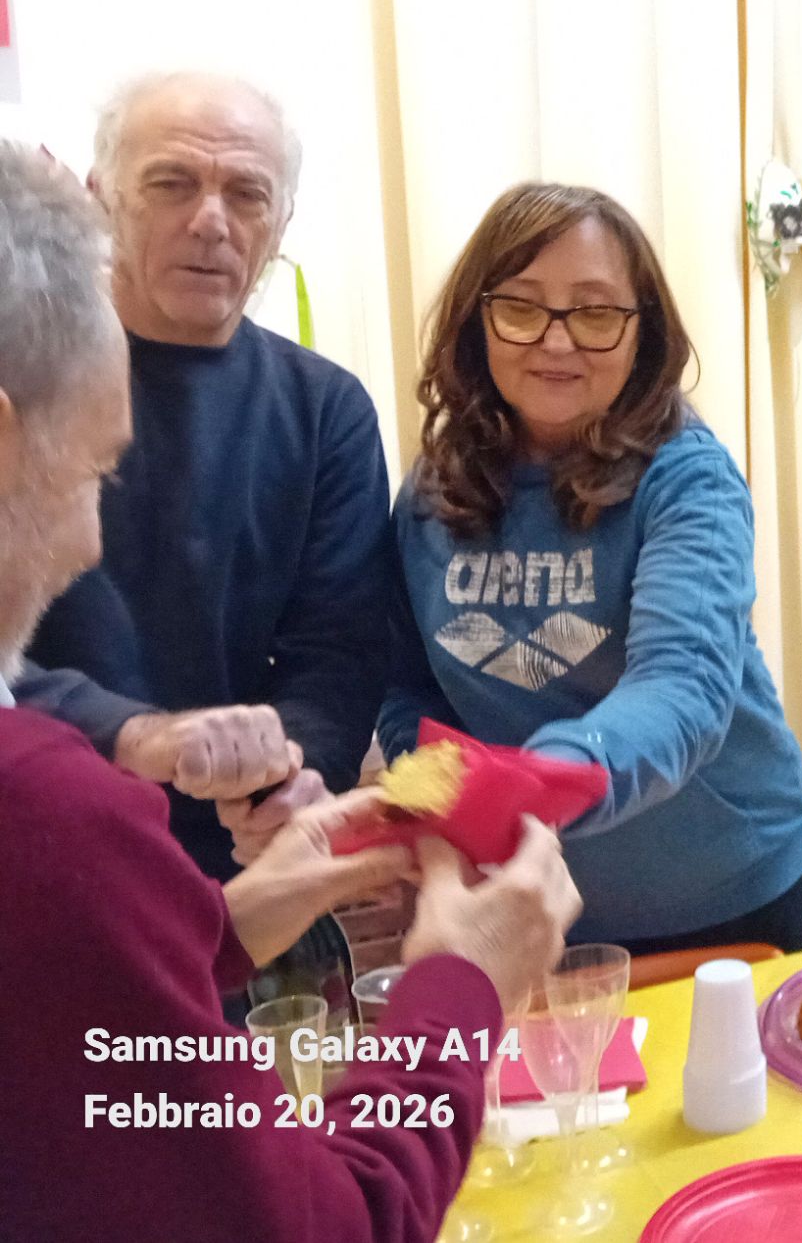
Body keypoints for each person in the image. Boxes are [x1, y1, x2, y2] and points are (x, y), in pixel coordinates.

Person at [0, 142, 583, 1241]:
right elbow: (329, 1225)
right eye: (91, 474)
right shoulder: (46, 815)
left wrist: (230, 922)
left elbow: (61, 1039)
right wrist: (461, 992)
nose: (89, 543)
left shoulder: (322, 409)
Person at [382, 181, 802, 953]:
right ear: (477, 321)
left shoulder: (688, 477)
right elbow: (406, 690)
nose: (558, 343)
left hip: (723, 892)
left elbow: (682, 686)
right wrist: (442, 799)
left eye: (595, 312)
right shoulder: (429, 492)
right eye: (522, 308)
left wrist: (540, 783)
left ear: (642, 332)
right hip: (533, 900)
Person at [20, 71, 395, 881]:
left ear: (281, 222)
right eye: (172, 184)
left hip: (254, 859)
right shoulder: (23, 387)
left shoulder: (326, 411)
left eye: (247, 194)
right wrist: (134, 735)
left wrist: (294, 777)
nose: (210, 222)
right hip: (45, 849)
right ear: (100, 198)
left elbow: (341, 652)